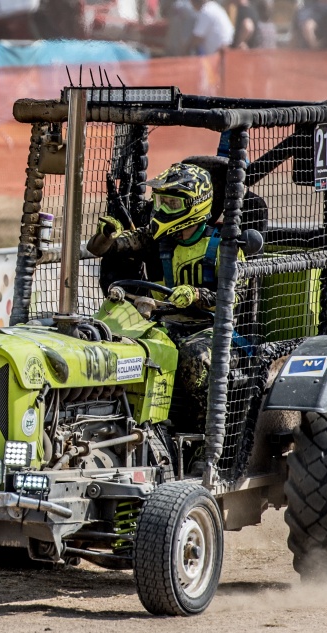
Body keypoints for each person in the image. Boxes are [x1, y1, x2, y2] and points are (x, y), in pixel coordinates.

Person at [88, 162, 243, 432]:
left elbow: (235, 297)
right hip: (164, 324)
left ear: (195, 205)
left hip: (213, 330)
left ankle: (204, 438)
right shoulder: (156, 236)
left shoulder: (224, 247)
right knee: (113, 343)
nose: (162, 210)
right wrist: (107, 235)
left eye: (172, 204)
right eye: (161, 202)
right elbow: (104, 249)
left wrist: (197, 294)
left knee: (195, 358)